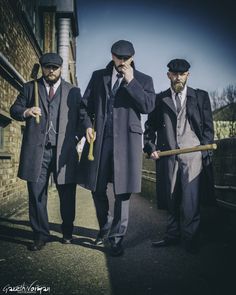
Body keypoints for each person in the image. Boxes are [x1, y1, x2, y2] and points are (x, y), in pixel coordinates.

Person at [78, 40, 155, 256]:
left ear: (132, 57)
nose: (122, 62)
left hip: (128, 142)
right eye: (118, 58)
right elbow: (84, 107)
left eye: (126, 58)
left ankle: (117, 238)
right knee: (96, 187)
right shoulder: (98, 76)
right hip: (100, 140)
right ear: (112, 56)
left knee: (123, 191)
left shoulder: (143, 80)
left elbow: (148, 106)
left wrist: (131, 82)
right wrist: (86, 127)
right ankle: (105, 225)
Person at [10, 53, 82, 251]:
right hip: (37, 152)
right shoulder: (29, 88)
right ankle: (40, 234)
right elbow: (14, 109)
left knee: (67, 194)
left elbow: (82, 117)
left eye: (55, 67)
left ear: (60, 69)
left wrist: (77, 136)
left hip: (64, 153)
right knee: (36, 195)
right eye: (47, 67)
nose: (51, 71)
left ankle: (67, 231)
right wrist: (26, 111)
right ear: (42, 67)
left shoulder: (73, 91)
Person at [143, 58, 214, 253]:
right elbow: (149, 128)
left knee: (191, 200)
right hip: (168, 154)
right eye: (174, 74)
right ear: (168, 75)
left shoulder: (200, 97)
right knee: (171, 197)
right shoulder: (160, 99)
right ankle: (172, 235)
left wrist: (204, 149)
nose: (178, 77)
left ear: (187, 75)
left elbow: (208, 127)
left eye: (182, 74)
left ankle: (191, 240)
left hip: (193, 155)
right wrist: (150, 148)